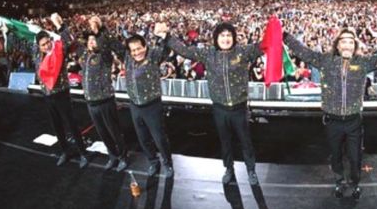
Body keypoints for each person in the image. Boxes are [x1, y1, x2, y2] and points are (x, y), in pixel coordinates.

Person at [284, 28, 377, 199]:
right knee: (336, 156)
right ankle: (339, 182)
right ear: (338, 45)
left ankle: (355, 183)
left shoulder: (363, 63)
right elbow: (304, 51)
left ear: (354, 45)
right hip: (332, 121)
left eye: (350, 42)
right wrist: (284, 36)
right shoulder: (325, 60)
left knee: (355, 158)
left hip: (354, 122)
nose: (347, 45)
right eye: (343, 42)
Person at [154, 21, 264, 186]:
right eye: (222, 35)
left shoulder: (243, 52)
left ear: (234, 37)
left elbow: (265, 45)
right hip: (220, 108)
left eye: (229, 35)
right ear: (216, 38)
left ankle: (251, 170)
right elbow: (185, 50)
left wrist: (277, 33)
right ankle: (229, 169)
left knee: (245, 141)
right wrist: (167, 37)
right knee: (225, 141)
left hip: (239, 108)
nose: (225, 39)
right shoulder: (208, 54)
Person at [0, 13, 90, 168]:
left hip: (62, 93)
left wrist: (60, 25)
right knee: (57, 125)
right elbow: (19, 44)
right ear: (38, 45)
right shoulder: (35, 52)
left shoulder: (59, 49)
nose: (47, 46)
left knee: (71, 123)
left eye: (48, 42)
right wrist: (7, 30)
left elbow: (69, 40)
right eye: (43, 44)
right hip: (47, 95)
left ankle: (83, 153)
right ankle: (65, 151)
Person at [110, 27, 172, 178]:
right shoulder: (127, 58)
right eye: (133, 50)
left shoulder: (153, 56)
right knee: (143, 138)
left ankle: (167, 163)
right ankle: (153, 162)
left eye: (139, 48)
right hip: (135, 106)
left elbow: (165, 48)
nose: (136, 52)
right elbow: (112, 43)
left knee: (159, 138)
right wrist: (101, 29)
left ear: (145, 46)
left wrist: (164, 35)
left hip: (152, 106)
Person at [73, 15, 128, 171]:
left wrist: (99, 30)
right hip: (91, 102)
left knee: (114, 131)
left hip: (105, 101)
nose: (92, 42)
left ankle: (123, 157)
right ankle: (113, 156)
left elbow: (107, 42)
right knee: (102, 133)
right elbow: (73, 42)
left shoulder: (105, 56)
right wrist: (61, 26)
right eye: (89, 40)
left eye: (94, 40)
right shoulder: (84, 56)